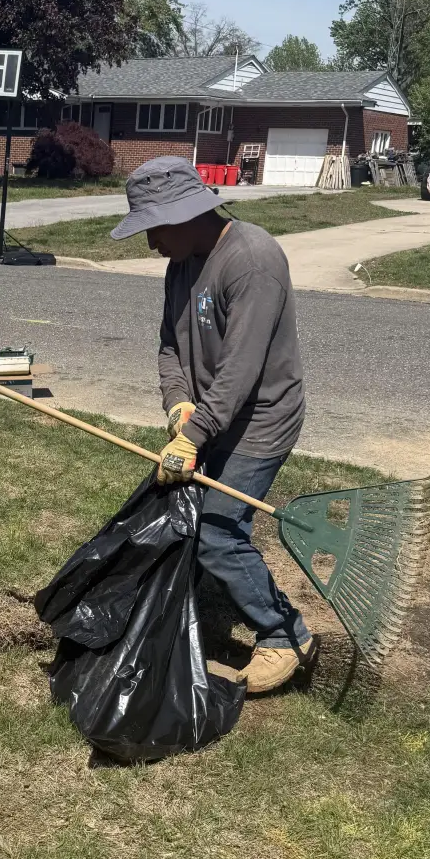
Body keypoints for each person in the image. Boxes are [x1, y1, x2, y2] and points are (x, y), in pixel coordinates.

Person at [111, 156, 316, 694]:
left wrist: (195, 435)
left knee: (220, 533)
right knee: (186, 514)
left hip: (260, 421)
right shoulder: (181, 262)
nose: (151, 242)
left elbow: (240, 371)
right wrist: (179, 409)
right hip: (211, 416)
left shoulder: (252, 261)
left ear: (184, 215)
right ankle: (189, 603)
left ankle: (285, 634)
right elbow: (169, 347)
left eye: (154, 228)